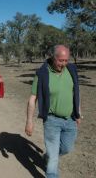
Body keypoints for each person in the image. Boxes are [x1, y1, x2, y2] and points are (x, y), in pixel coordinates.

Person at [25, 45, 82, 178]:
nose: (63, 64)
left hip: (70, 119)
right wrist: (29, 122)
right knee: (53, 160)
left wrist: (78, 112)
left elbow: (76, 93)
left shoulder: (72, 70)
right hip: (52, 121)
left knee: (67, 148)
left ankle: (49, 155)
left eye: (66, 60)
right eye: (60, 60)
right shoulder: (42, 74)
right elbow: (32, 99)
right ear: (53, 57)